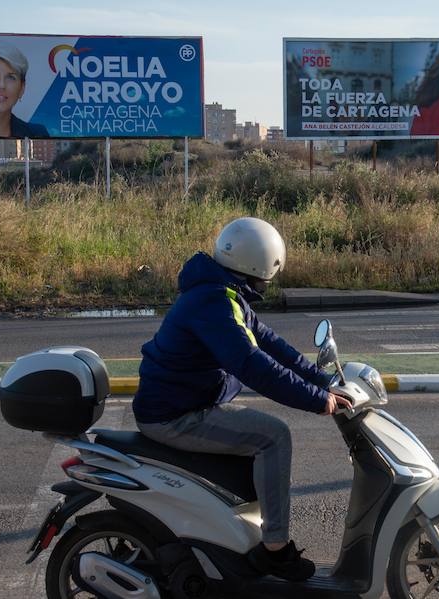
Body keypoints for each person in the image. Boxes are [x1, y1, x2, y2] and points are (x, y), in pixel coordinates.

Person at [132, 217, 352, 582]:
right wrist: (316, 400)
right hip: (173, 416)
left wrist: (323, 381)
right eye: (269, 273)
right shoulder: (214, 303)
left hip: (191, 402)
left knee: (260, 435)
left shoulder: (223, 293)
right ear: (256, 266)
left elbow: (270, 344)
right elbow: (254, 366)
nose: (269, 281)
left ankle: (242, 539)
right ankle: (275, 551)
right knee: (273, 436)